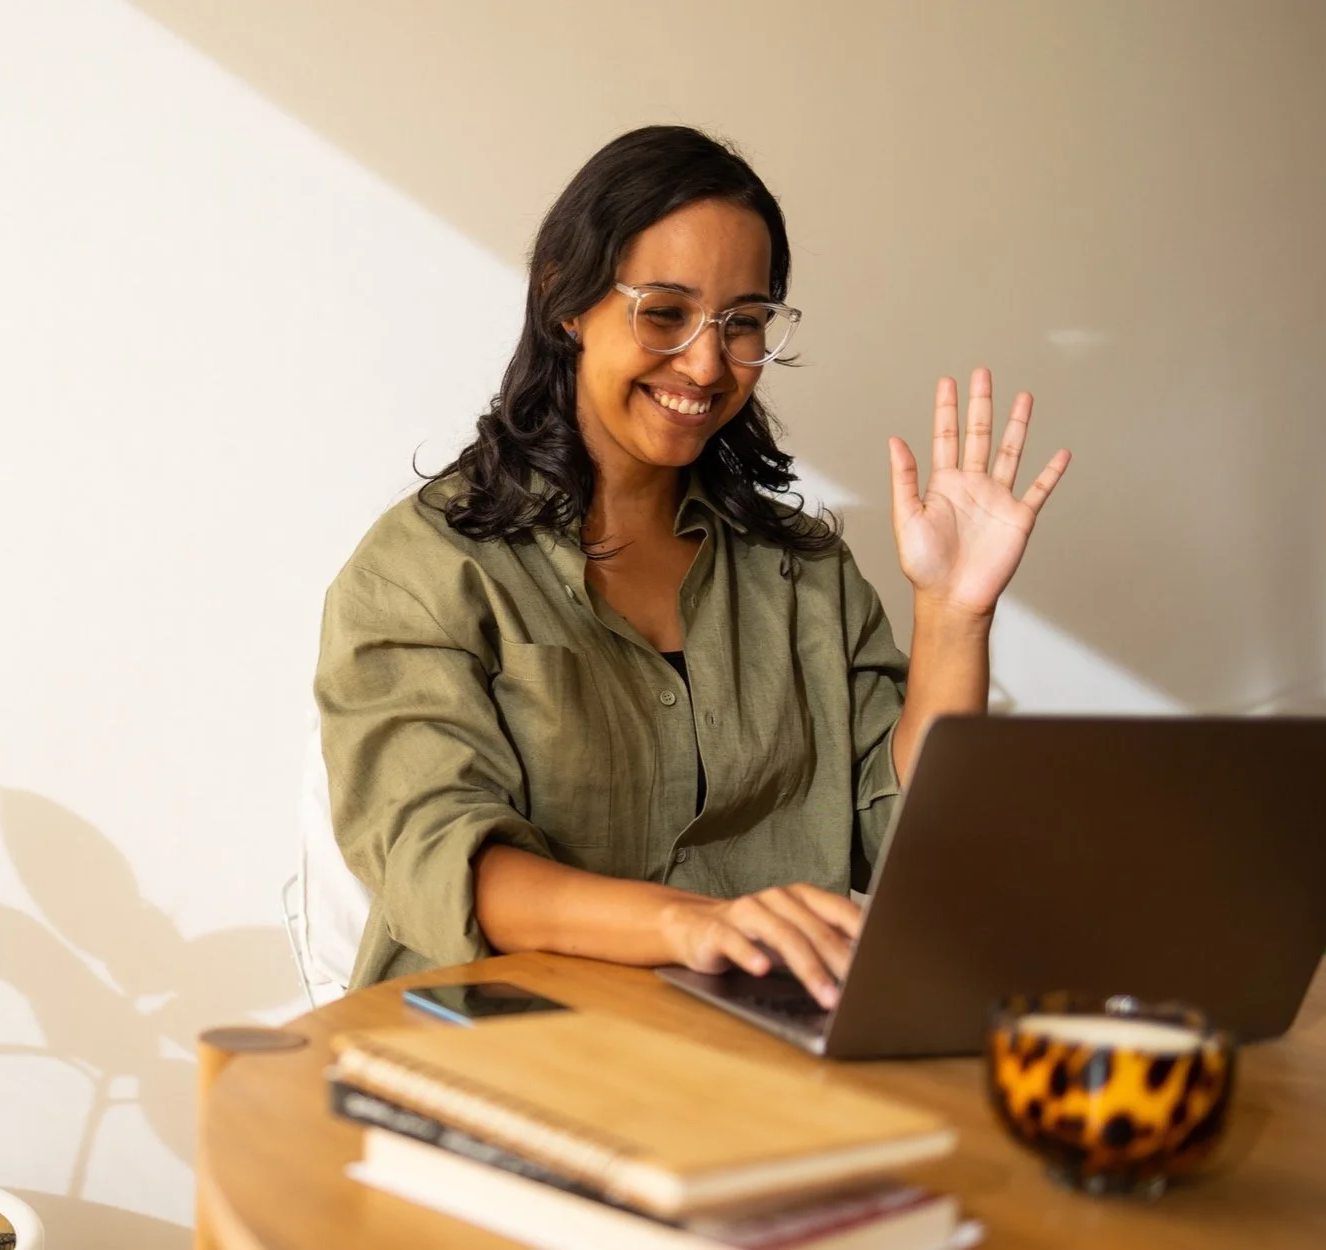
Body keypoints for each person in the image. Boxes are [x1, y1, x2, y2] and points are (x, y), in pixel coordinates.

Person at [314, 125, 1069, 999]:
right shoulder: (427, 568)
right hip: (510, 1048)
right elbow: (441, 858)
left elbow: (915, 850)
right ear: (567, 298)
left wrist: (953, 614)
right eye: (664, 312)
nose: (708, 363)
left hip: (762, 1045)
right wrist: (694, 922)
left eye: (742, 323)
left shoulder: (803, 574)